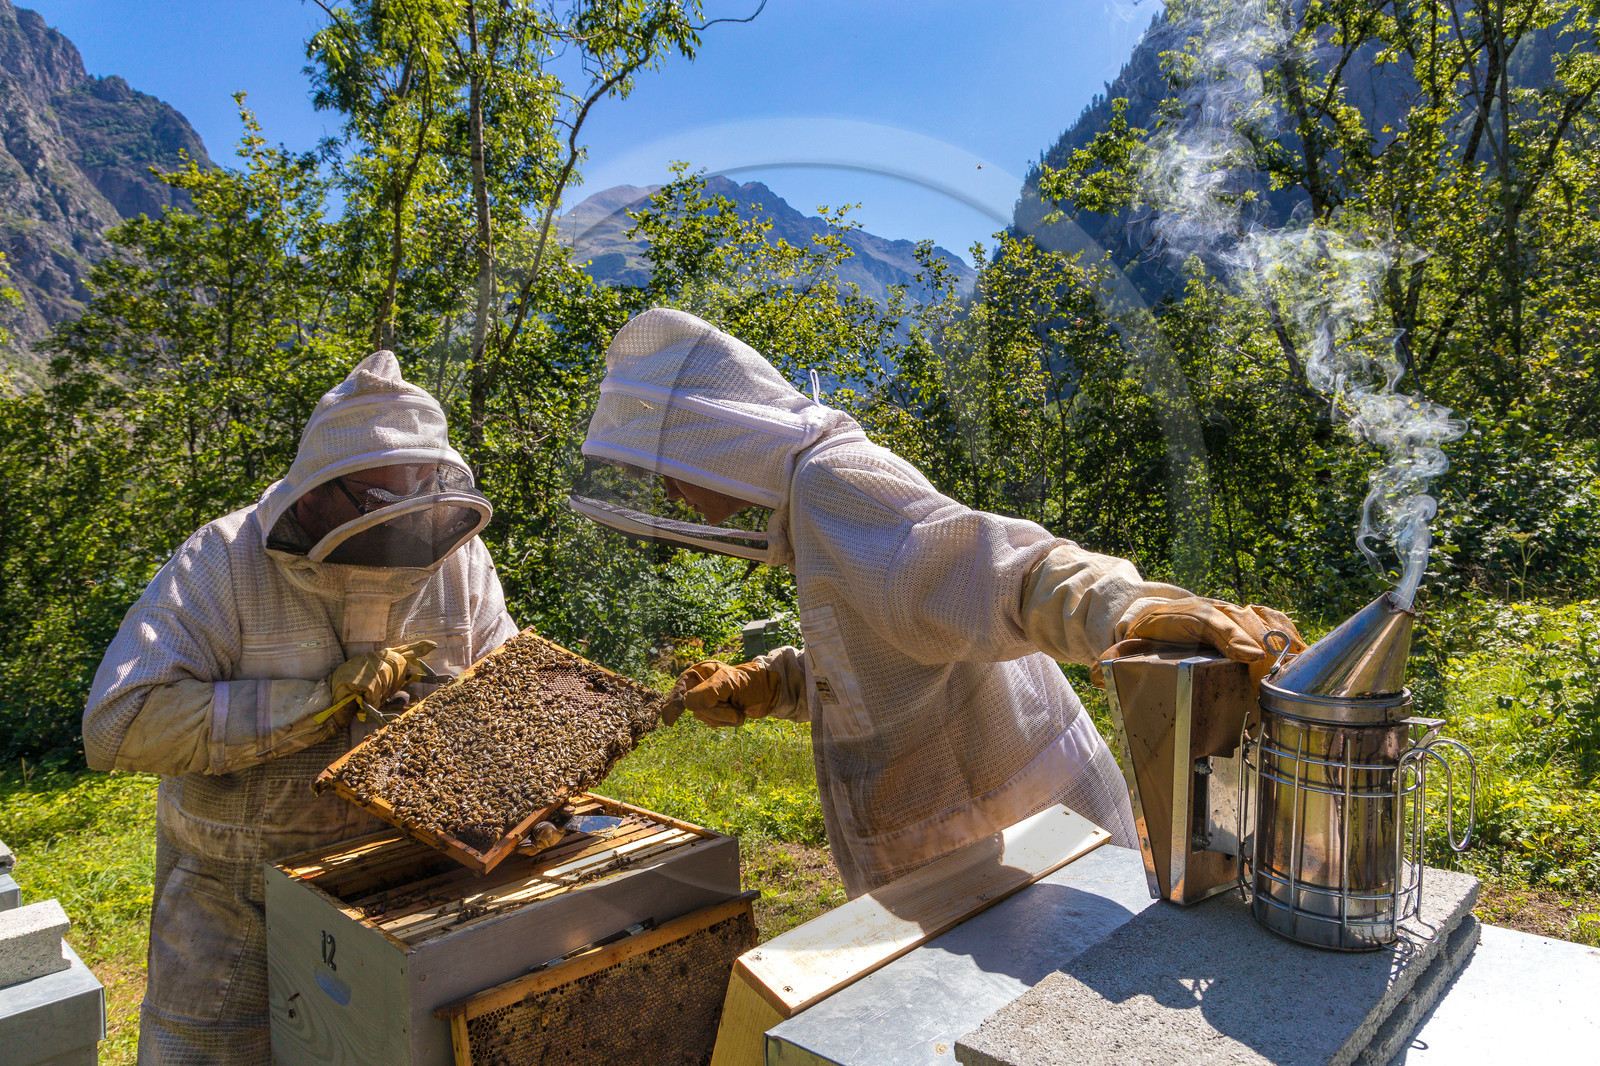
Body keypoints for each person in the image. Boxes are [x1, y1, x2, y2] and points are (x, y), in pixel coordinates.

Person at [576, 308, 1303, 898]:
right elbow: (888, 648)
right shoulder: (810, 504)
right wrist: (775, 681)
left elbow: (1000, 573)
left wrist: (1129, 611)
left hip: (1016, 849)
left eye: (673, 468)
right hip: (974, 853)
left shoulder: (835, 486)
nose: (672, 493)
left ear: (723, 438)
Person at [83, 352, 519, 1065]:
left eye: (419, 494)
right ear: (314, 495)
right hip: (235, 900)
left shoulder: (459, 561)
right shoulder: (222, 560)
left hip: (404, 877)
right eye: (383, 502)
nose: (407, 522)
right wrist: (320, 703)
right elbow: (119, 723)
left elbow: (498, 694)